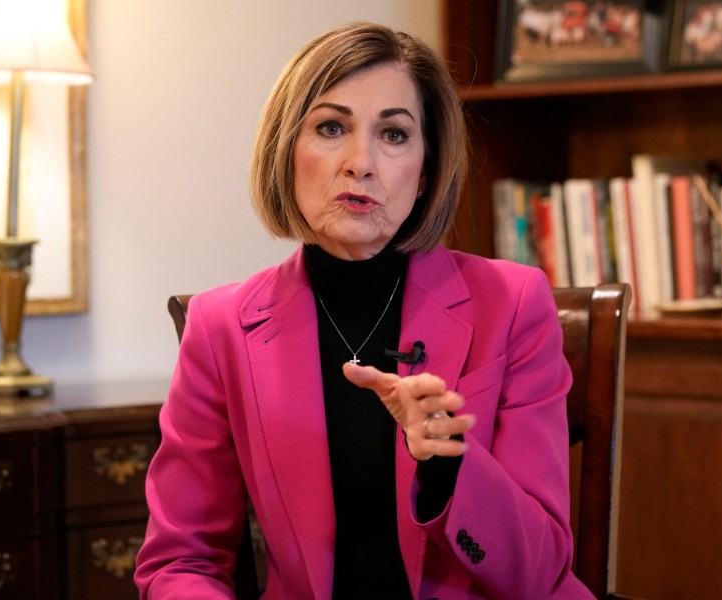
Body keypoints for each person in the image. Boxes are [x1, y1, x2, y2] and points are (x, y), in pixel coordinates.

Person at [134, 21, 593, 600]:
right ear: (287, 150)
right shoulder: (221, 327)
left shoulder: (514, 302)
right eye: (331, 127)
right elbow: (181, 561)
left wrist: (451, 464)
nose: (361, 162)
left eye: (395, 135)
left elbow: (541, 575)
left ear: (425, 171)